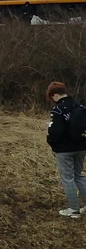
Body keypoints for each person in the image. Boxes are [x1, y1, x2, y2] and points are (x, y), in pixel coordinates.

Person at [46, 82, 86, 218]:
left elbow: (55, 131)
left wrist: (51, 142)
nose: (52, 99)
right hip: (81, 146)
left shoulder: (58, 110)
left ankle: (74, 209)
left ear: (55, 95)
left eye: (52, 97)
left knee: (67, 178)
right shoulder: (80, 106)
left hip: (64, 149)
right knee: (79, 175)